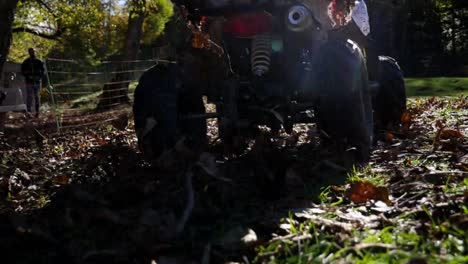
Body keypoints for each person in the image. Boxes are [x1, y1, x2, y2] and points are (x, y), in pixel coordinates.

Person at [21, 48, 45, 118]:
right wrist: (28, 74)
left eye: (33, 51)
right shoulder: (26, 62)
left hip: (37, 82)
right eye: (30, 52)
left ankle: (37, 112)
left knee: (37, 97)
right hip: (29, 82)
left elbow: (43, 72)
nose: (32, 53)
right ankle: (29, 112)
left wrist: (38, 77)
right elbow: (23, 71)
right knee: (29, 97)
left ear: (35, 52)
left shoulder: (39, 61)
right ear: (29, 52)